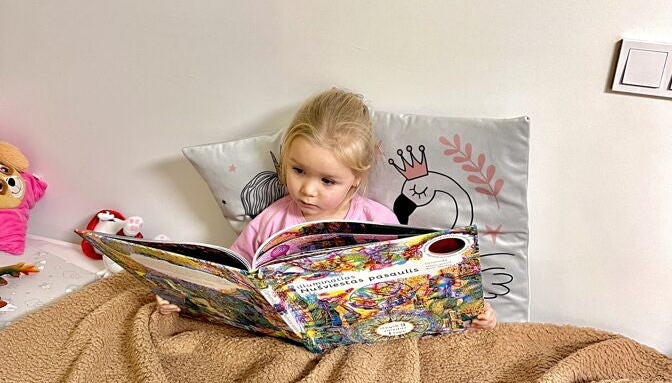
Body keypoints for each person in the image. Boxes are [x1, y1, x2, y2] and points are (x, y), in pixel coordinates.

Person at [157, 88, 496, 331]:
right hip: (287, 336)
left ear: (355, 180)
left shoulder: (376, 221)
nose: (307, 189)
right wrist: (182, 297)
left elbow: (422, 285)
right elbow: (230, 277)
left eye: (328, 180)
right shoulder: (270, 221)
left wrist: (473, 310)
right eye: (298, 170)